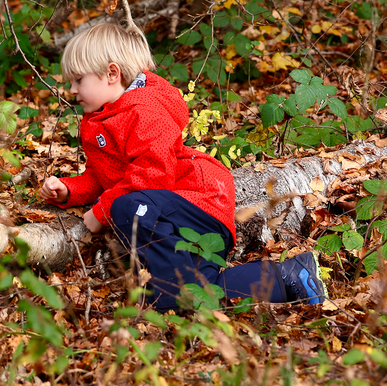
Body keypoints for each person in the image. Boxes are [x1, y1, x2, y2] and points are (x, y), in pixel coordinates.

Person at [40, 22, 328, 311]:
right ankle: (291, 276)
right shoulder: (103, 117)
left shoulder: (145, 112)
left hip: (198, 201)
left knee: (125, 208)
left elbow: (153, 176)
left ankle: (171, 293)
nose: (72, 89)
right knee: (200, 292)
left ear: (111, 74)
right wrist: (69, 190)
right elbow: (103, 176)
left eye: (78, 80)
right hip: (172, 213)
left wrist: (101, 213)